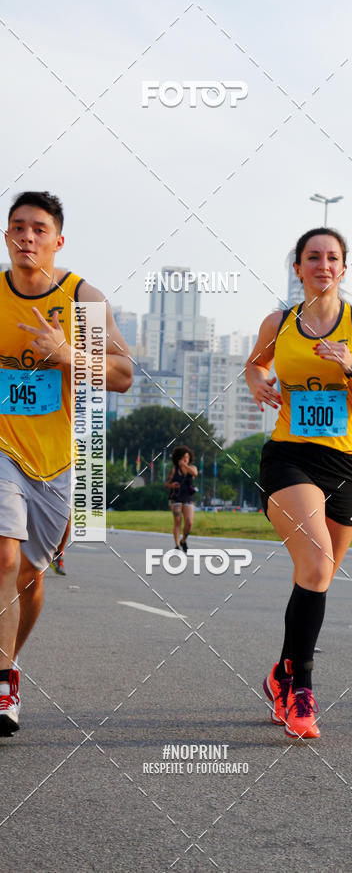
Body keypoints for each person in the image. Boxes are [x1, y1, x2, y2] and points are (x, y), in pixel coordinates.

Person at [245, 228, 352, 738]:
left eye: (333, 257)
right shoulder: (279, 322)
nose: (323, 265)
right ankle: (301, 691)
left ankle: (280, 673)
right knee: (314, 563)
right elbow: (254, 364)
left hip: (346, 462)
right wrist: (256, 381)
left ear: (344, 267)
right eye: (313, 257)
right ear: (298, 268)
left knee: (317, 577)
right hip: (290, 457)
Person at [0, 191, 132, 736]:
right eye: (17, 227)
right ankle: (2, 682)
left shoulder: (82, 299)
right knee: (3, 558)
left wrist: (67, 355)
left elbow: (123, 373)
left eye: (38, 229)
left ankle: (6, 663)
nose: (26, 237)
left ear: (58, 240)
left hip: (57, 462)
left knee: (29, 576)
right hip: (3, 449)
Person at [166, 446, 198, 552]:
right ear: (178, 458)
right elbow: (166, 483)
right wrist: (172, 485)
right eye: (184, 457)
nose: (186, 460)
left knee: (189, 523)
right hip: (176, 498)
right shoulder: (174, 470)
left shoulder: (192, 468)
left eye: (187, 458)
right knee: (177, 521)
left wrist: (184, 465)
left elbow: (195, 474)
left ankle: (183, 540)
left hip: (188, 498)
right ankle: (176, 545)